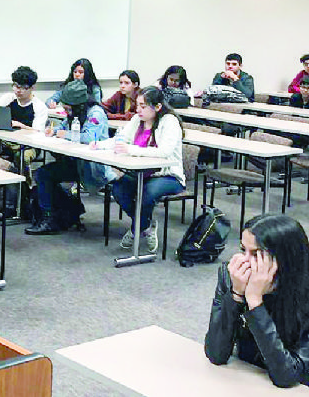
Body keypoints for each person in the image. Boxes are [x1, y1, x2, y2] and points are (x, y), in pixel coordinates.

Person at [204, 214, 309, 388]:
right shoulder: (233, 277)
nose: (244, 261)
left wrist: (254, 302)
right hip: (250, 379)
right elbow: (216, 353)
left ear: (284, 259)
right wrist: (236, 294)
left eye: (256, 254)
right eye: (242, 249)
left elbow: (288, 375)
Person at [96, 87, 185, 252]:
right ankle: (146, 225)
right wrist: (99, 145)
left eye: (143, 106)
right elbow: (120, 140)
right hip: (140, 172)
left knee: (147, 192)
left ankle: (136, 228)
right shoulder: (138, 120)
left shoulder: (169, 122)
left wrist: (131, 150)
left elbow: (164, 152)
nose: (138, 110)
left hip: (167, 175)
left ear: (157, 107)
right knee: (118, 188)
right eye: (137, 105)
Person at [27, 80, 114, 235]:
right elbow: (63, 126)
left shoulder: (96, 113)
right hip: (75, 162)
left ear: (78, 104)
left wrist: (64, 134)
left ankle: (66, 211)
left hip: (92, 166)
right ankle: (50, 217)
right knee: (43, 174)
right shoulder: (74, 112)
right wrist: (53, 131)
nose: (66, 110)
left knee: (46, 175)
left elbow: (89, 137)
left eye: (68, 107)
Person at [0, 66, 47, 177]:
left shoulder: (39, 106)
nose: (18, 90)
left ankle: (24, 189)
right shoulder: (8, 99)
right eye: (16, 86)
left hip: (29, 145)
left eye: (23, 88)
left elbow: (38, 133)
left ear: (32, 88)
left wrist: (21, 126)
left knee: (23, 157)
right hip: (5, 141)